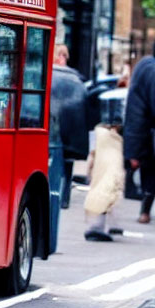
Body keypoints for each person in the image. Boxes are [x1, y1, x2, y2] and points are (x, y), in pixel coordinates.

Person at [50, 44, 89, 209]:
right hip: (67, 129)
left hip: (58, 127)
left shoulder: (53, 76)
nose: (63, 59)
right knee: (65, 163)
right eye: (61, 55)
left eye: (65, 56)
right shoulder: (75, 80)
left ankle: (60, 195)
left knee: (60, 163)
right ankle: (62, 196)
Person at [85, 88, 127, 241]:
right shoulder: (116, 138)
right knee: (108, 192)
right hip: (109, 168)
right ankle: (96, 228)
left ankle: (99, 226)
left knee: (103, 192)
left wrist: (88, 171)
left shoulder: (98, 132)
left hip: (100, 169)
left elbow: (92, 154)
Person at [124, 51, 155, 223]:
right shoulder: (151, 69)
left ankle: (145, 211)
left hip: (142, 134)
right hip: (148, 133)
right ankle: (145, 211)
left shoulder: (144, 66)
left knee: (148, 172)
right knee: (150, 171)